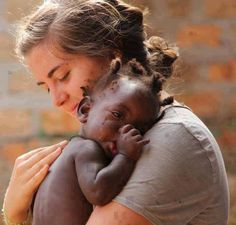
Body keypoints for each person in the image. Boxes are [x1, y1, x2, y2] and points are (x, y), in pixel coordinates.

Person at [2, 0, 229, 225]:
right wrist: (15, 214)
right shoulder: (110, 142)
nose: (56, 99)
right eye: (47, 87)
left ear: (113, 57)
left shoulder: (172, 138)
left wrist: (14, 218)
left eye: (63, 76)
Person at [32, 58, 170, 225]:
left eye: (138, 131)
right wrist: (127, 156)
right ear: (86, 110)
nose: (126, 133)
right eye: (118, 115)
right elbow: (98, 193)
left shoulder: (69, 152)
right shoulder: (86, 149)